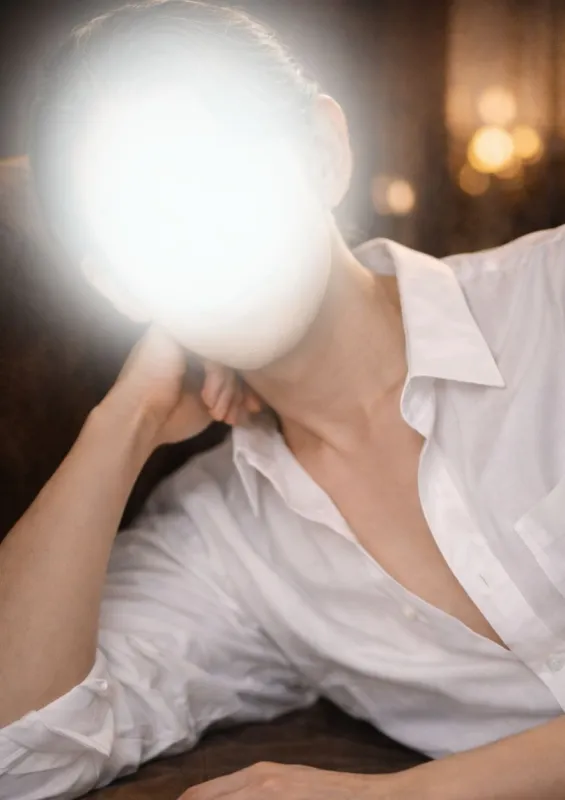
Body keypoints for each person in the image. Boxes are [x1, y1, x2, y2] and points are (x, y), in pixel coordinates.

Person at [3, 1, 565, 798]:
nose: (193, 235)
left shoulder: (550, 297)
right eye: (137, 221)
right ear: (117, 286)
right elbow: (20, 755)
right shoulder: (222, 543)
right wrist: (121, 424)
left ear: (321, 153)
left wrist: (400, 796)